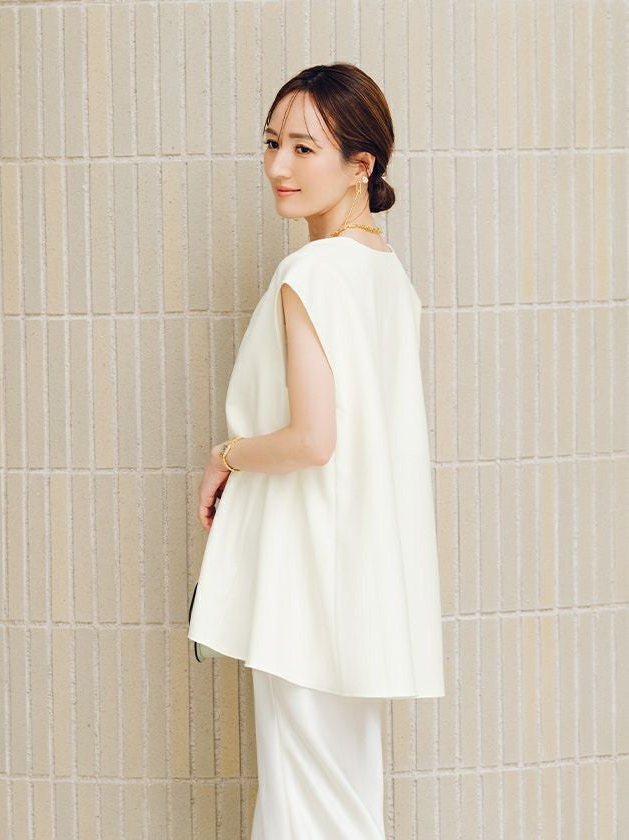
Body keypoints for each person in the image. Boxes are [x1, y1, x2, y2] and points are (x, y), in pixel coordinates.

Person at [188, 63, 445, 839]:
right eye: (272, 143)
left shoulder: (311, 272)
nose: (278, 166)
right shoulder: (386, 275)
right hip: (363, 591)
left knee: (303, 813)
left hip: (306, 586)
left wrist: (226, 455)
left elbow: (313, 439)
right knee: (339, 807)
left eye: (303, 148)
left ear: (361, 164)